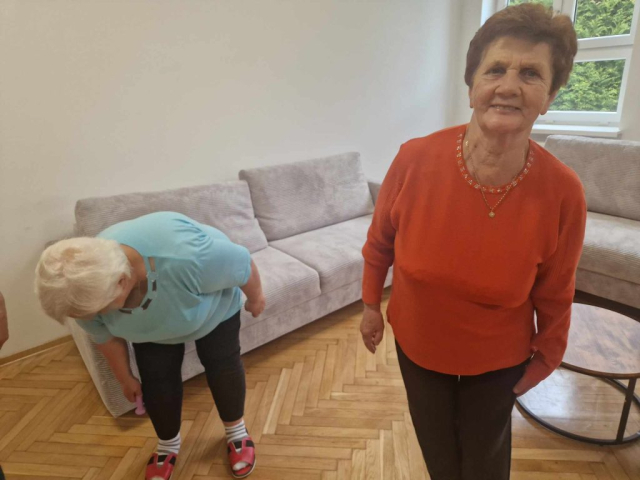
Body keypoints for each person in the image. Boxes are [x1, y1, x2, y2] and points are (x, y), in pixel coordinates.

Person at [360, 4, 586, 480]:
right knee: (439, 455)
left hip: (499, 362)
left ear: (549, 96)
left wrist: (546, 358)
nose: (509, 86)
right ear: (471, 87)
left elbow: (557, 290)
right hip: (418, 347)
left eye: (530, 73)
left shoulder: (563, 192)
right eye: (495, 69)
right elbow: (380, 243)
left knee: (484, 461)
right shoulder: (414, 159)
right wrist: (369, 305)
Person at [35, 211, 264, 480]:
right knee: (157, 382)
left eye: (97, 311)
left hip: (214, 309)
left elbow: (243, 264)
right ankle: (168, 444)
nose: (90, 318)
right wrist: (125, 378)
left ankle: (236, 432)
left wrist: (255, 299)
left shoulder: (187, 257)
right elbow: (105, 337)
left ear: (122, 282)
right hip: (150, 331)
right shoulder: (83, 292)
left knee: (222, 365)